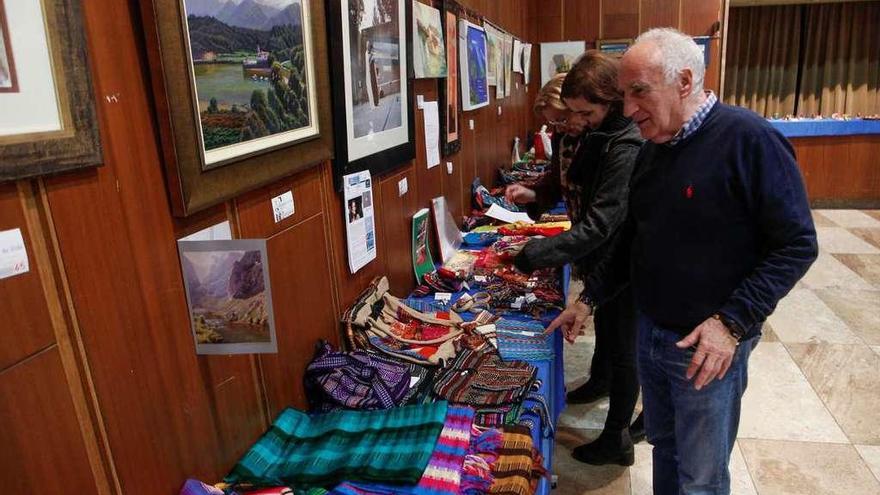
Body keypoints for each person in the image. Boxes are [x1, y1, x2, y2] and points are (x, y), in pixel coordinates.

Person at [548, 29, 818, 494]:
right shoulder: (654, 148)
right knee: (667, 455)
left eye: (639, 92)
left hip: (706, 349)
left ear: (686, 81)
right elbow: (633, 236)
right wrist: (589, 299)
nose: (628, 110)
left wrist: (730, 323)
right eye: (624, 95)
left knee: (701, 478)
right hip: (652, 336)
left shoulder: (749, 140)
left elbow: (796, 244)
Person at [506, 52, 645, 465]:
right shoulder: (588, 135)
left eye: (576, 115)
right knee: (608, 328)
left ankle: (617, 436)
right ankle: (600, 381)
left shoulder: (624, 142)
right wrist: (537, 196)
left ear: (606, 102)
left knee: (625, 346)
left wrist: (534, 254)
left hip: (623, 259)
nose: (570, 125)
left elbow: (604, 221)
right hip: (598, 252)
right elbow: (564, 182)